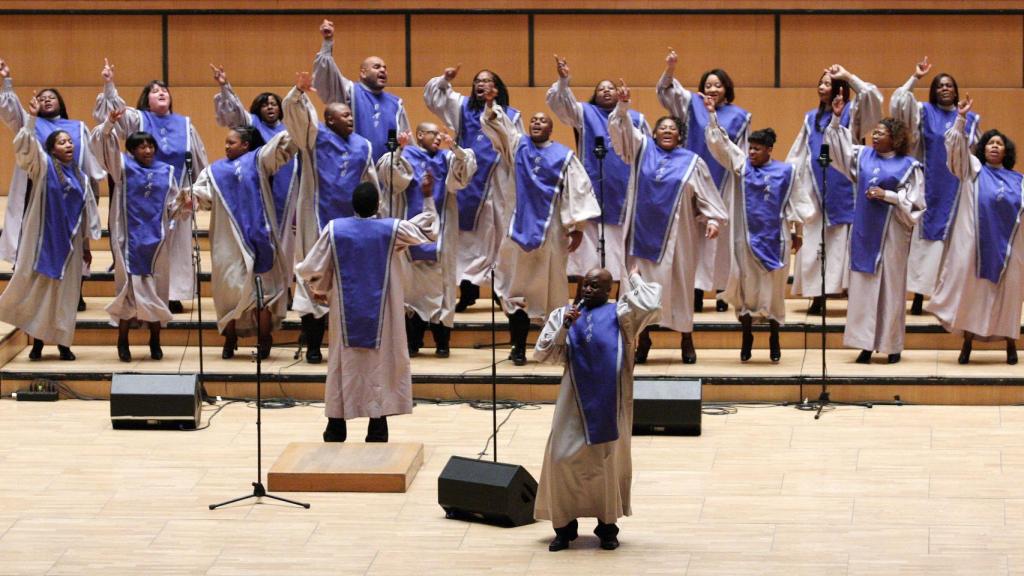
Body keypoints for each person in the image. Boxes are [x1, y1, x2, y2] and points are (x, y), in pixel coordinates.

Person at [295, 182, 437, 443]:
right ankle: (377, 426)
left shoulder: (335, 229)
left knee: (342, 364)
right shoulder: (392, 229)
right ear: (377, 206)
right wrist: (426, 199)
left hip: (344, 310)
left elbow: (311, 266)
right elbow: (428, 230)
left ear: (353, 205)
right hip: (383, 312)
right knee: (378, 366)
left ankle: (336, 425)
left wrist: (319, 286)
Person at [533, 266, 662, 552]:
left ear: (609, 291)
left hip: (609, 403)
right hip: (572, 403)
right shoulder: (563, 313)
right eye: (585, 285)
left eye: (595, 286)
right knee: (561, 460)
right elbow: (542, 354)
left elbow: (653, 302)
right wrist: (565, 326)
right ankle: (564, 528)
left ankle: (607, 528)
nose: (588, 290)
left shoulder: (622, 315)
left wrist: (635, 278)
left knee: (604, 465)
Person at [609, 81, 727, 365]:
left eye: (672, 129)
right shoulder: (642, 150)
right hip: (643, 237)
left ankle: (686, 337)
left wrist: (712, 219)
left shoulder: (691, 161)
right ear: (653, 132)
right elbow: (621, 130)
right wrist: (623, 105)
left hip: (679, 237)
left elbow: (707, 195)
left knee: (680, 289)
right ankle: (644, 339)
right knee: (643, 291)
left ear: (680, 136)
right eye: (662, 128)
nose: (667, 132)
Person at [482, 98, 600, 366]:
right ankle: (519, 346)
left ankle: (555, 346)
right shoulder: (518, 146)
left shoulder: (563, 156)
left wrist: (577, 227)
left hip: (552, 234)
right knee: (514, 290)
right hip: (517, 229)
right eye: (533, 120)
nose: (536, 122)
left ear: (550, 129)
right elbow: (500, 128)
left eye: (542, 121)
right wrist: (491, 109)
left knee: (552, 290)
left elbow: (576, 191)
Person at [93, 58, 208, 314]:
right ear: (146, 99)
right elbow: (115, 117)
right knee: (148, 243)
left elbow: (198, 158)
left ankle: (173, 293)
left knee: (176, 244)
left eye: (164, 90)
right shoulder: (139, 119)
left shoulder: (185, 124)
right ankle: (144, 293)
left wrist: (200, 190)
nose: (161, 92)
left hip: (176, 194)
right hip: (143, 196)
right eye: (155, 91)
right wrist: (109, 84)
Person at [282, 71, 380, 364]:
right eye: (345, 115)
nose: (350, 119)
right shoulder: (314, 139)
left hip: (352, 226)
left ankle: (345, 347)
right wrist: (298, 94)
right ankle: (313, 345)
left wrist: (376, 214)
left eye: (351, 115)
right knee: (312, 283)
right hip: (317, 222)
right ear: (330, 120)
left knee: (347, 286)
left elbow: (370, 181)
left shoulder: (364, 145)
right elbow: (297, 118)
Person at [704, 95, 808, 363]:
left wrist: (798, 232)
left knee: (773, 292)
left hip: (777, 239)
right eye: (750, 148)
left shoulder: (786, 172)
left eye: (757, 149)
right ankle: (747, 336)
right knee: (746, 291)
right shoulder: (742, 167)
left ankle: (774, 337)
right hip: (745, 239)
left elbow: (796, 203)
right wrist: (712, 116)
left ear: (769, 149)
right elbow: (723, 145)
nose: (751, 153)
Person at [0, 95, 101, 360]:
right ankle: (37, 344)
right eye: (62, 142)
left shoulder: (82, 178)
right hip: (44, 242)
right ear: (52, 148)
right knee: (42, 293)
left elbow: (86, 214)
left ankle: (63, 343)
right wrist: (32, 118)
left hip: (70, 245)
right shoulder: (43, 167)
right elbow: (25, 148)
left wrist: (87, 245)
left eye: (70, 141)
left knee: (66, 297)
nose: (68, 145)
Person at [0, 58, 105, 312]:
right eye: (43, 96)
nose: (47, 100)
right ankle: (29, 292)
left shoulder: (77, 128)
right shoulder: (30, 122)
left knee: (75, 245)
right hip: (36, 195)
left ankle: (75, 291)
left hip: (69, 195)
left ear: (61, 103)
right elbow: (9, 110)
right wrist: (6, 81)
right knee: (32, 241)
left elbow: (88, 166)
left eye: (52, 97)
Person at [826, 96, 925, 364]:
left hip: (891, 235)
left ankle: (892, 345)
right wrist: (836, 119)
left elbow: (916, 204)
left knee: (890, 290)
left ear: (895, 138)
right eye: (875, 132)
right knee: (864, 290)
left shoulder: (908, 167)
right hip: (864, 233)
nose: (875, 136)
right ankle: (865, 345)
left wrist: (888, 196)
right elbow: (837, 151)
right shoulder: (863, 156)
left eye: (881, 133)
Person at [927, 96, 1022, 365]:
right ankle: (967, 343)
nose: (994, 146)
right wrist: (960, 119)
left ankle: (1010, 344)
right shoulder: (974, 170)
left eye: (999, 143)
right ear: (983, 148)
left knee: (1008, 297)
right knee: (973, 296)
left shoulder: (1019, 181)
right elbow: (954, 149)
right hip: (977, 249)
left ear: (1007, 151)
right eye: (990, 142)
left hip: (1010, 251)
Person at [424, 65, 524, 312]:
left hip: (497, 181)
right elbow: (435, 99)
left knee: (498, 237)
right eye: (478, 80)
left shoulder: (511, 115)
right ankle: (468, 292)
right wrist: (445, 79)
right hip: (468, 180)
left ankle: (500, 293)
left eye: (488, 81)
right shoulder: (461, 108)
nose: (482, 84)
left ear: (496, 88)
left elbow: (517, 148)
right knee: (467, 241)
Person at [191, 126, 296, 360]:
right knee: (228, 292)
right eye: (226, 143)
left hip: (260, 237)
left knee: (263, 295)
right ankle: (230, 338)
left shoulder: (258, 161)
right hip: (227, 241)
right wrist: (190, 198)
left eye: (232, 143)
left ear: (245, 145)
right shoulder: (214, 170)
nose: (227, 146)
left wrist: (294, 108)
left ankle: (264, 339)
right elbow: (202, 197)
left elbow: (284, 145)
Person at [657, 49, 749, 313]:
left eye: (717, 85)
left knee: (721, 239)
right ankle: (694, 292)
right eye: (708, 85)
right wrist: (671, 68)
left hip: (725, 183)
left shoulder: (740, 116)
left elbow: (741, 154)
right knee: (694, 238)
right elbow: (666, 92)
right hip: (692, 179)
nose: (712, 89)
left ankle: (722, 293)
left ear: (726, 89)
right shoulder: (691, 104)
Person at [786, 65, 882, 314]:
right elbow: (799, 152)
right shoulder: (811, 118)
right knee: (816, 240)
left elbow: (872, 96)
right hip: (816, 186)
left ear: (839, 89)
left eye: (828, 84)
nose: (821, 87)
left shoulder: (854, 111)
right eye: (821, 83)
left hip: (846, 186)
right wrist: (788, 178)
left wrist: (849, 77)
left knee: (845, 240)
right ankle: (818, 294)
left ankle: (851, 291)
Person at [547, 55, 651, 281]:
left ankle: (619, 283)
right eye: (601, 88)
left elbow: (648, 151)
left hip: (625, 188)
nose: (606, 91)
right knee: (592, 237)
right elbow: (560, 105)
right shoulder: (585, 113)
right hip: (592, 184)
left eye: (611, 88)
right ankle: (590, 282)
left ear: (619, 93)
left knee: (619, 240)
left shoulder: (637, 119)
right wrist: (564, 80)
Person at [377, 123, 477, 358]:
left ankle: (442, 342)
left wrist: (456, 148)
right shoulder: (407, 155)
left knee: (443, 288)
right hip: (409, 239)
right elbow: (391, 179)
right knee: (411, 290)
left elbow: (463, 176)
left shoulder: (447, 157)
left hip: (443, 234)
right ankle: (414, 341)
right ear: (420, 135)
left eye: (440, 135)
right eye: (434, 134)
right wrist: (399, 151)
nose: (439, 138)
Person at [891, 57, 981, 315]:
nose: (944, 89)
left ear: (956, 90)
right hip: (928, 186)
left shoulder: (970, 118)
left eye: (949, 85)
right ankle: (919, 294)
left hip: (957, 189)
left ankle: (949, 299)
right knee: (925, 244)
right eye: (940, 85)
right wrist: (915, 76)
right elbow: (898, 105)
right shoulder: (923, 112)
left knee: (954, 243)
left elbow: (976, 151)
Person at [90, 110, 181, 362]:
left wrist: (184, 204)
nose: (147, 150)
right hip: (128, 240)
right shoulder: (122, 167)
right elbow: (101, 144)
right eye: (140, 146)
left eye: (150, 145)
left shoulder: (166, 171)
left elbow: (174, 203)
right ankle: (122, 341)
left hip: (156, 241)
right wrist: (109, 122)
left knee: (154, 293)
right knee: (127, 293)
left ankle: (155, 340)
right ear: (131, 150)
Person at [211, 64, 300, 278]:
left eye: (273, 104)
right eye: (265, 104)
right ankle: (260, 282)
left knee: (285, 240)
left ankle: (284, 286)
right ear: (257, 108)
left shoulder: (289, 129)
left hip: (286, 188)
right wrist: (225, 86)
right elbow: (236, 112)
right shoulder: (252, 125)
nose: (270, 107)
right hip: (256, 188)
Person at [313, 19, 410, 164]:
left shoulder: (396, 103)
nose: (383, 70)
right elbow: (327, 76)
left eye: (385, 67)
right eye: (377, 67)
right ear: (363, 73)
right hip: (355, 168)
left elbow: (404, 139)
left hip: (387, 172)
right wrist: (328, 42)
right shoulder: (350, 91)